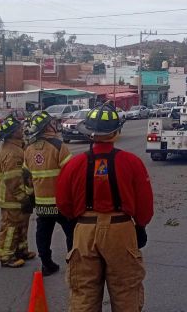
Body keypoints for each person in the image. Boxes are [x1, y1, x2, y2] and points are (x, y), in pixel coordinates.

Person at [57, 102, 154, 312]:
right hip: (121, 230)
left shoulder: (74, 165)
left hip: (84, 230)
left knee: (84, 293)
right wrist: (140, 226)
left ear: (89, 132)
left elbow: (63, 203)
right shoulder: (132, 162)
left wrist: (78, 222)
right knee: (126, 292)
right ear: (117, 131)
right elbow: (145, 205)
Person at [23, 110, 75, 276]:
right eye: (52, 122)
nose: (55, 125)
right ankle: (73, 264)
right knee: (72, 232)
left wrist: (32, 198)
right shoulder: (59, 147)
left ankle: (46, 264)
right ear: (47, 126)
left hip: (42, 204)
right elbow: (71, 175)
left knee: (43, 233)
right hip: (61, 203)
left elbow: (26, 178)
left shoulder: (29, 149)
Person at [0, 115, 36, 268]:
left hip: (12, 195)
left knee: (21, 223)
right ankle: (6, 256)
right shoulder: (13, 152)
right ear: (12, 133)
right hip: (11, 197)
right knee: (11, 226)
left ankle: (21, 250)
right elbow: (13, 180)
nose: (22, 130)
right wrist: (23, 198)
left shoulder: (15, 147)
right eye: (19, 129)